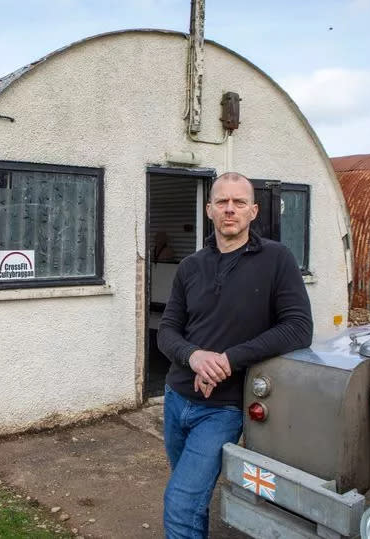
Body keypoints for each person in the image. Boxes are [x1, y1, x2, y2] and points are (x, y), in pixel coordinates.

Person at [157, 172, 313, 538]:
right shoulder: (191, 267)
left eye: (239, 202)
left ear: (253, 210)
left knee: (180, 503)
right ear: (209, 209)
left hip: (223, 408)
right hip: (176, 398)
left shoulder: (277, 259)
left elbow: (298, 327)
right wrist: (193, 357)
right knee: (190, 499)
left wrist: (227, 360)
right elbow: (167, 331)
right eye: (222, 202)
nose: (230, 209)